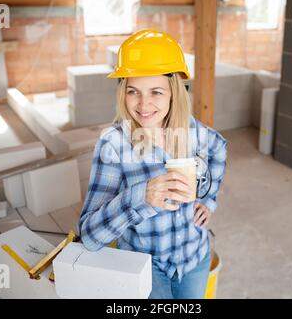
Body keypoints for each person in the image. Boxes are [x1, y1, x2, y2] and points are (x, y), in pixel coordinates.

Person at [79, 29, 227, 299]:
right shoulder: (113, 145)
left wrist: (209, 199)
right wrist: (141, 197)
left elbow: (219, 148)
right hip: (145, 265)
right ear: (123, 92)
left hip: (195, 258)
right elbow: (89, 236)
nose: (144, 104)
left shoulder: (192, 130)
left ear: (174, 92)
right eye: (133, 91)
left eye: (156, 92)